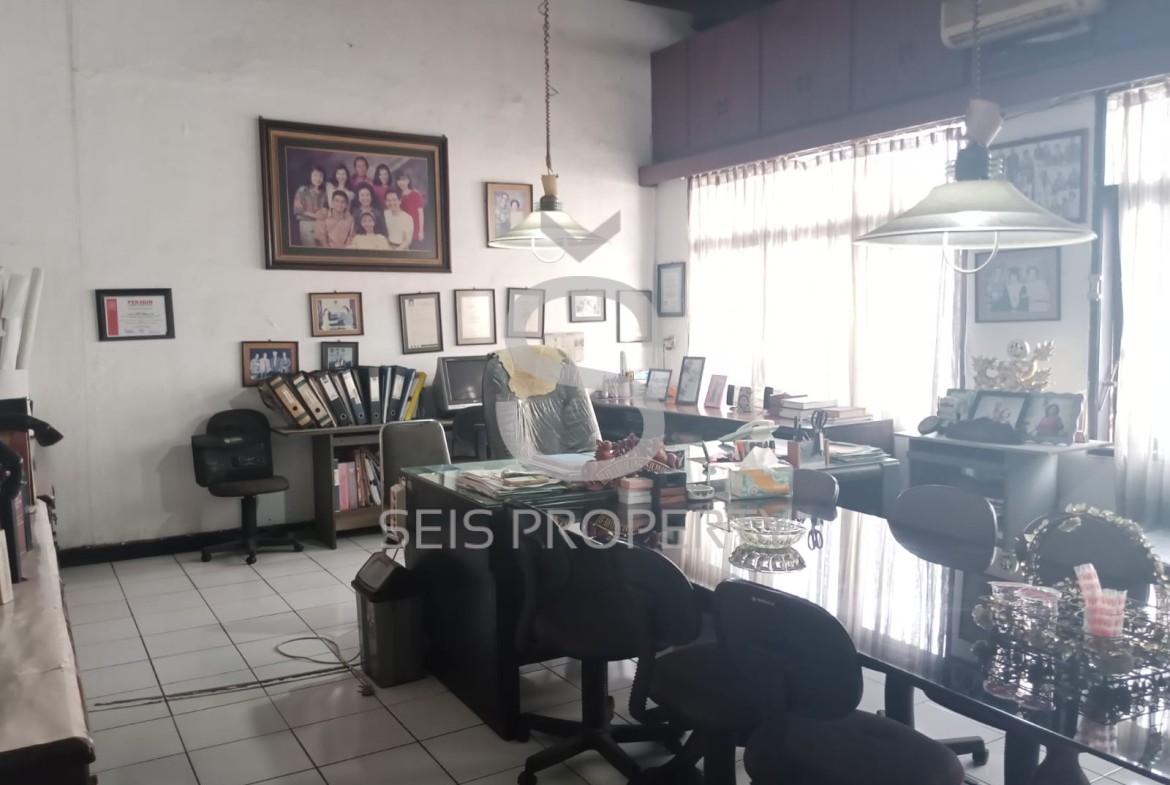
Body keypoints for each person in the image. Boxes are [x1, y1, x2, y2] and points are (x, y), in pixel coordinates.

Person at [293, 166, 328, 246]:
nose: (318, 178)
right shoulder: (303, 189)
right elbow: (298, 209)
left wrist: (324, 212)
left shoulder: (323, 193)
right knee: (311, 249)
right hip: (306, 223)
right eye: (315, 175)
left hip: (320, 225)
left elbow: (326, 208)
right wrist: (315, 216)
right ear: (310, 175)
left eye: (320, 176)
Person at [396, 171, 425, 244]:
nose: (401, 182)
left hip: (415, 229)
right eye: (399, 180)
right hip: (403, 230)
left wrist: (421, 231)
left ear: (408, 180)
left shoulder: (416, 194)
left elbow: (420, 214)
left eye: (404, 179)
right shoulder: (396, 196)